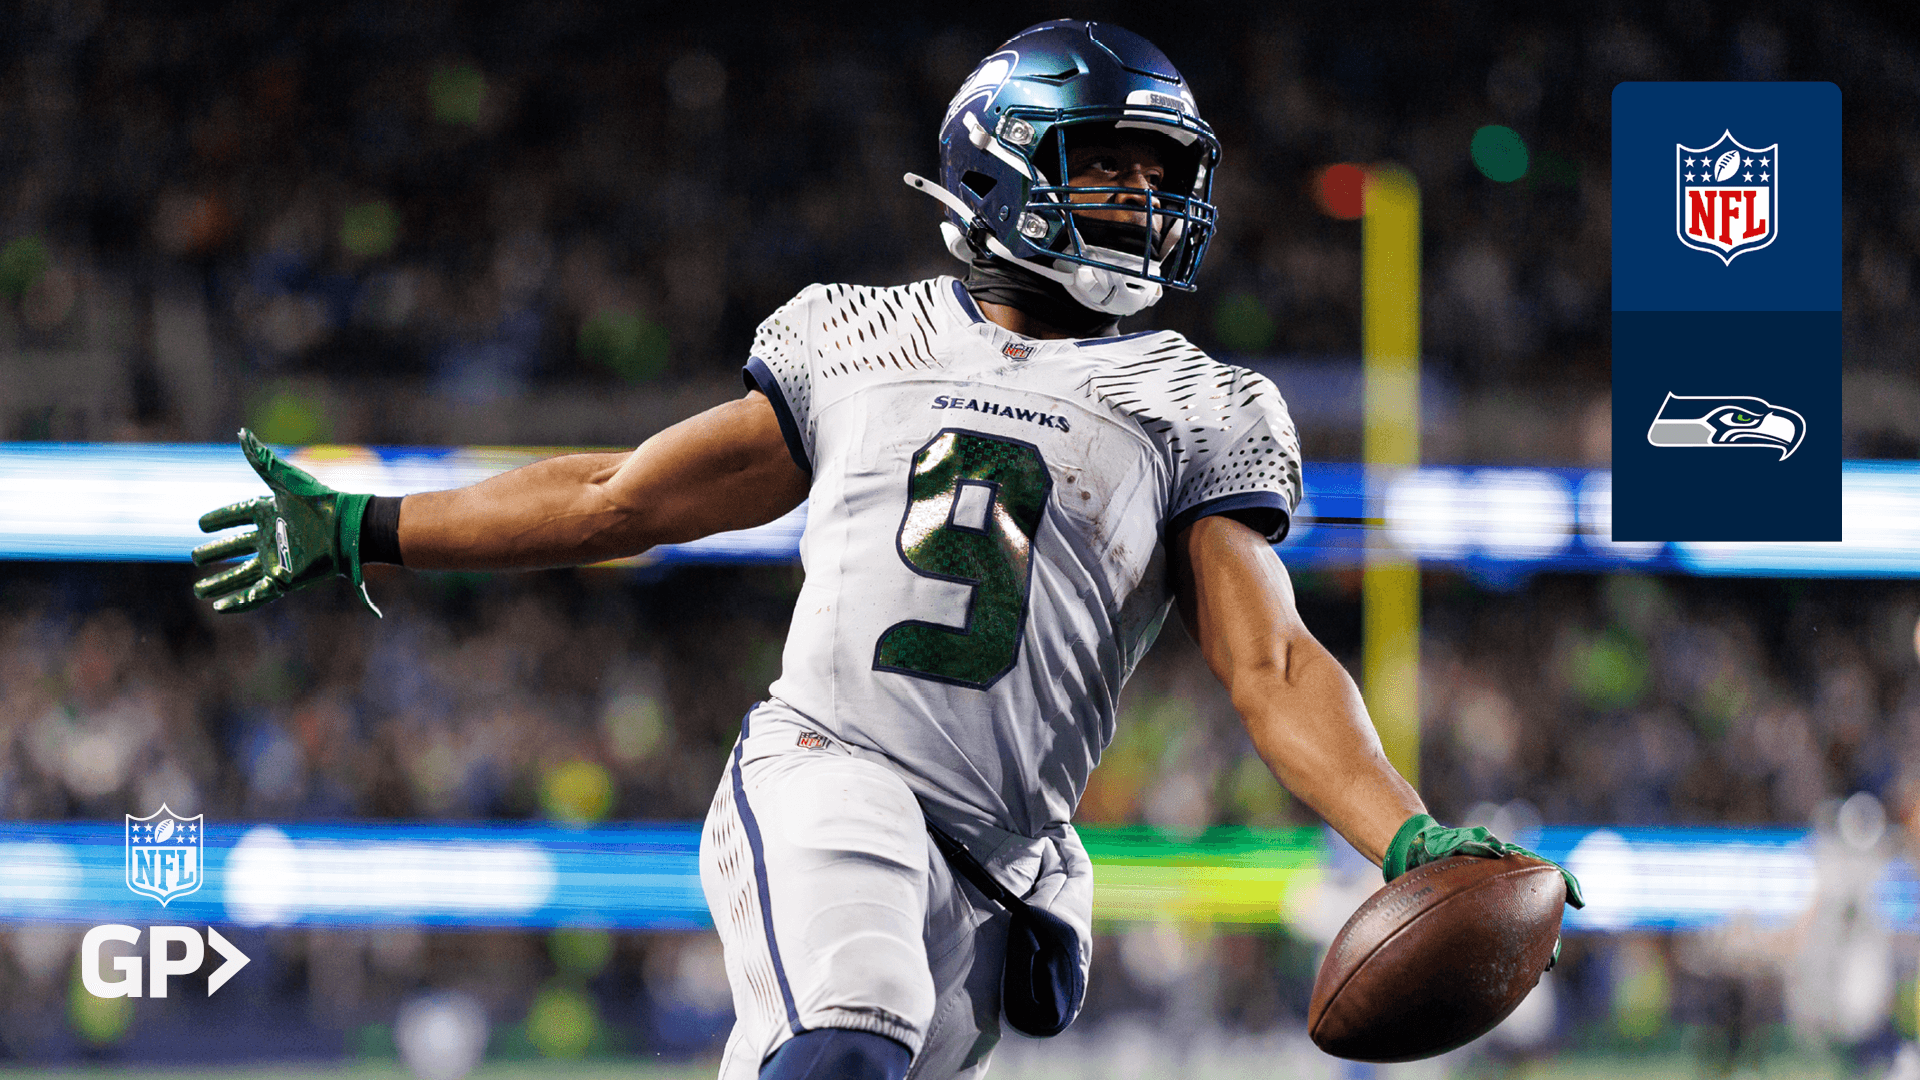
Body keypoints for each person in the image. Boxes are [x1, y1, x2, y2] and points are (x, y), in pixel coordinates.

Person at [193, 20, 1581, 1080]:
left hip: (1001, 859)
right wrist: (373, 526)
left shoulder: (1199, 402)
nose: (1145, 199)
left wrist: (1404, 832)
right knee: (847, 1043)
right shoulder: (861, 335)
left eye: (1162, 175)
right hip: (830, 770)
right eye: (1108, 164)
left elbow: (1269, 662)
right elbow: (622, 497)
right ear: (1005, 160)